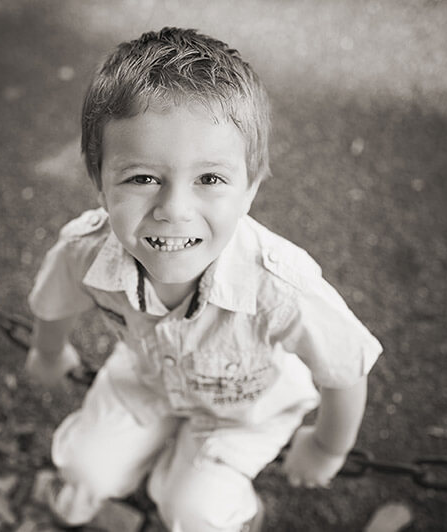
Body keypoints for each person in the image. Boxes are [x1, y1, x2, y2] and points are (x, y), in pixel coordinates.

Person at [26, 27, 382, 532]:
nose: (174, 209)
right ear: (99, 184)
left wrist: (325, 447)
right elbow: (53, 303)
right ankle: (96, 495)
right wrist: (47, 352)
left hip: (243, 411)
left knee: (193, 511)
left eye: (210, 179)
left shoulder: (280, 284)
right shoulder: (86, 250)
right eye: (142, 178)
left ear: (250, 189)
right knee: (86, 467)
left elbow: (347, 366)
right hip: (146, 381)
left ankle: (240, 516)